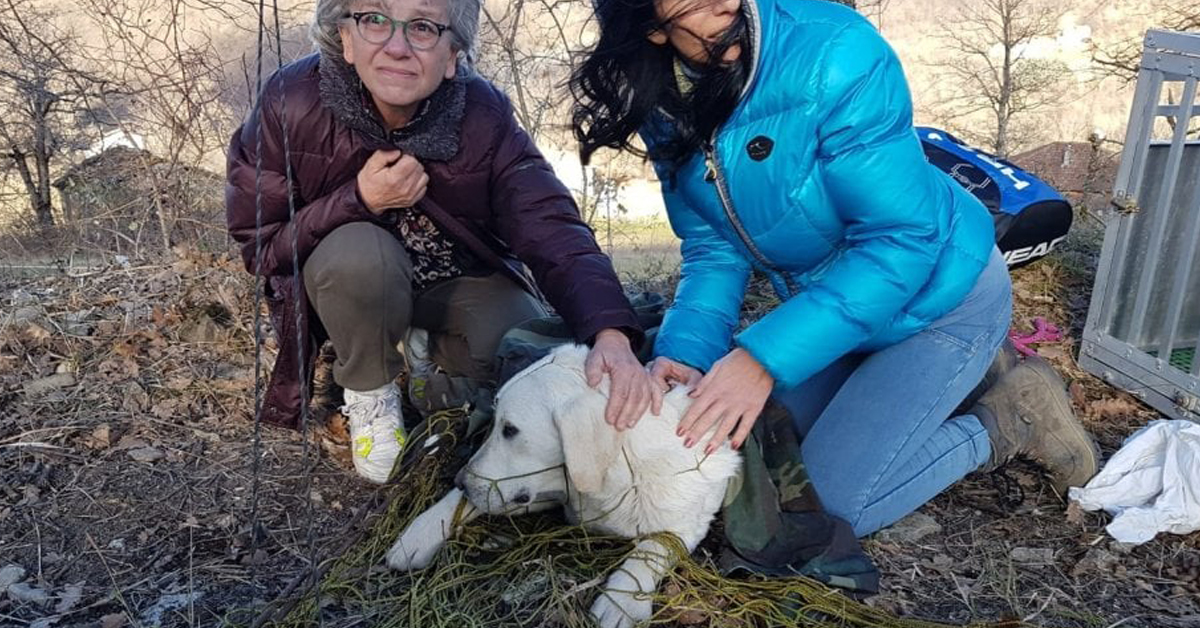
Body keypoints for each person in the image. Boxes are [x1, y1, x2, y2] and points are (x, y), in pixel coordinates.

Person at [570, 0, 1100, 536]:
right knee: (759, 445)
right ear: (648, 25)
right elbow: (714, 245)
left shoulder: (834, 52)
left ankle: (1010, 419)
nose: (727, 1)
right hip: (838, 312)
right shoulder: (669, 102)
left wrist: (762, 362)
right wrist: (686, 353)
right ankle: (954, 378)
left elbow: (902, 240)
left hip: (941, 296)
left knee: (832, 501)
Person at [226, 0, 655, 484]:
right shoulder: (292, 100)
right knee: (361, 257)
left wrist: (611, 333)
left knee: (521, 361)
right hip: (354, 283)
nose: (397, 47)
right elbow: (261, 246)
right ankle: (371, 394)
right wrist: (359, 199)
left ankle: (424, 369)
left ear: (454, 54)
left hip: (454, 279)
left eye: (424, 27)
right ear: (345, 37)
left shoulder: (483, 115)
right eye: (374, 19)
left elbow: (550, 226)